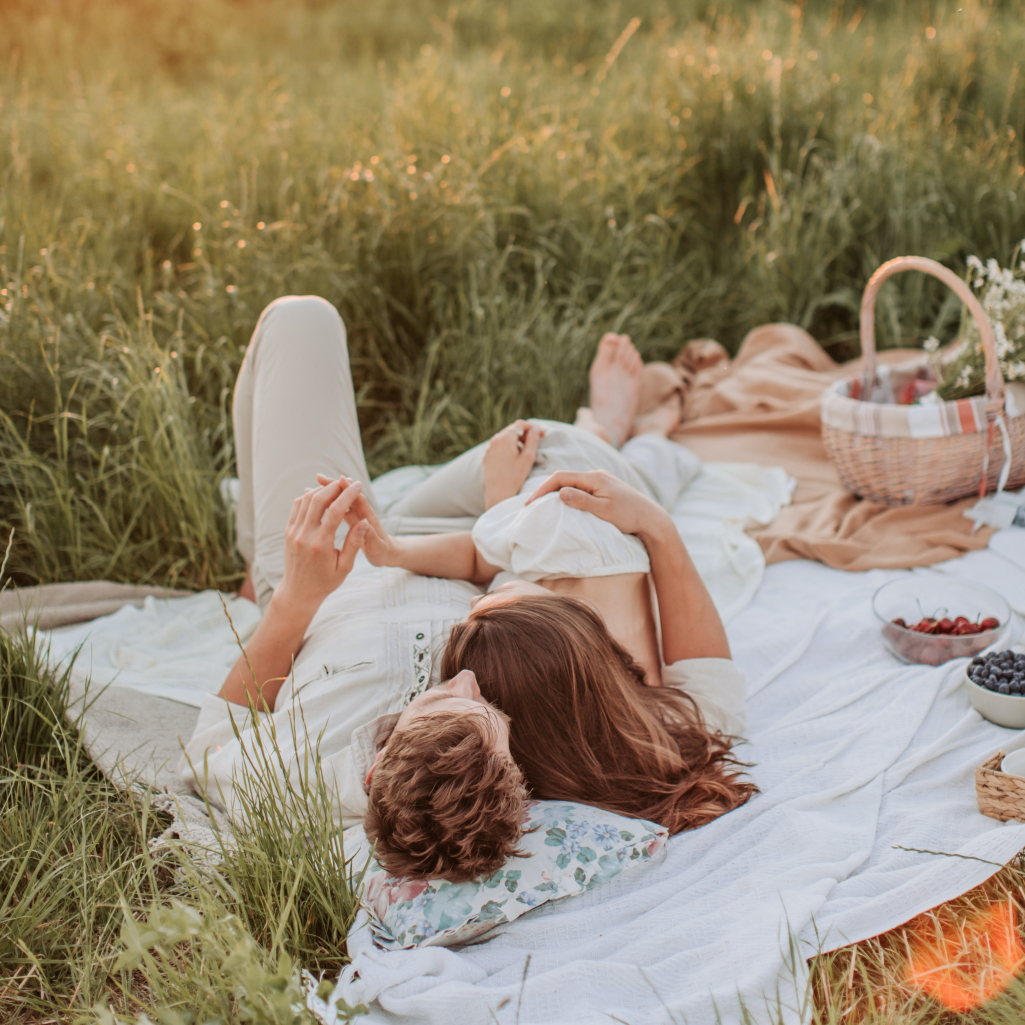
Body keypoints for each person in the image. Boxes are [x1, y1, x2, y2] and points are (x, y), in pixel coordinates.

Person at [180, 295, 752, 881]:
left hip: (325, 563)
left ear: (375, 770)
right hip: (466, 544)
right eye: (487, 706)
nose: (469, 680)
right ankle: (605, 429)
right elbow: (710, 691)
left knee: (301, 321)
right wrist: (654, 525)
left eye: (443, 696)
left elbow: (213, 743)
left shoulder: (300, 785)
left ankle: (260, 560)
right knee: (561, 453)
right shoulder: (529, 739)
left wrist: (294, 600)